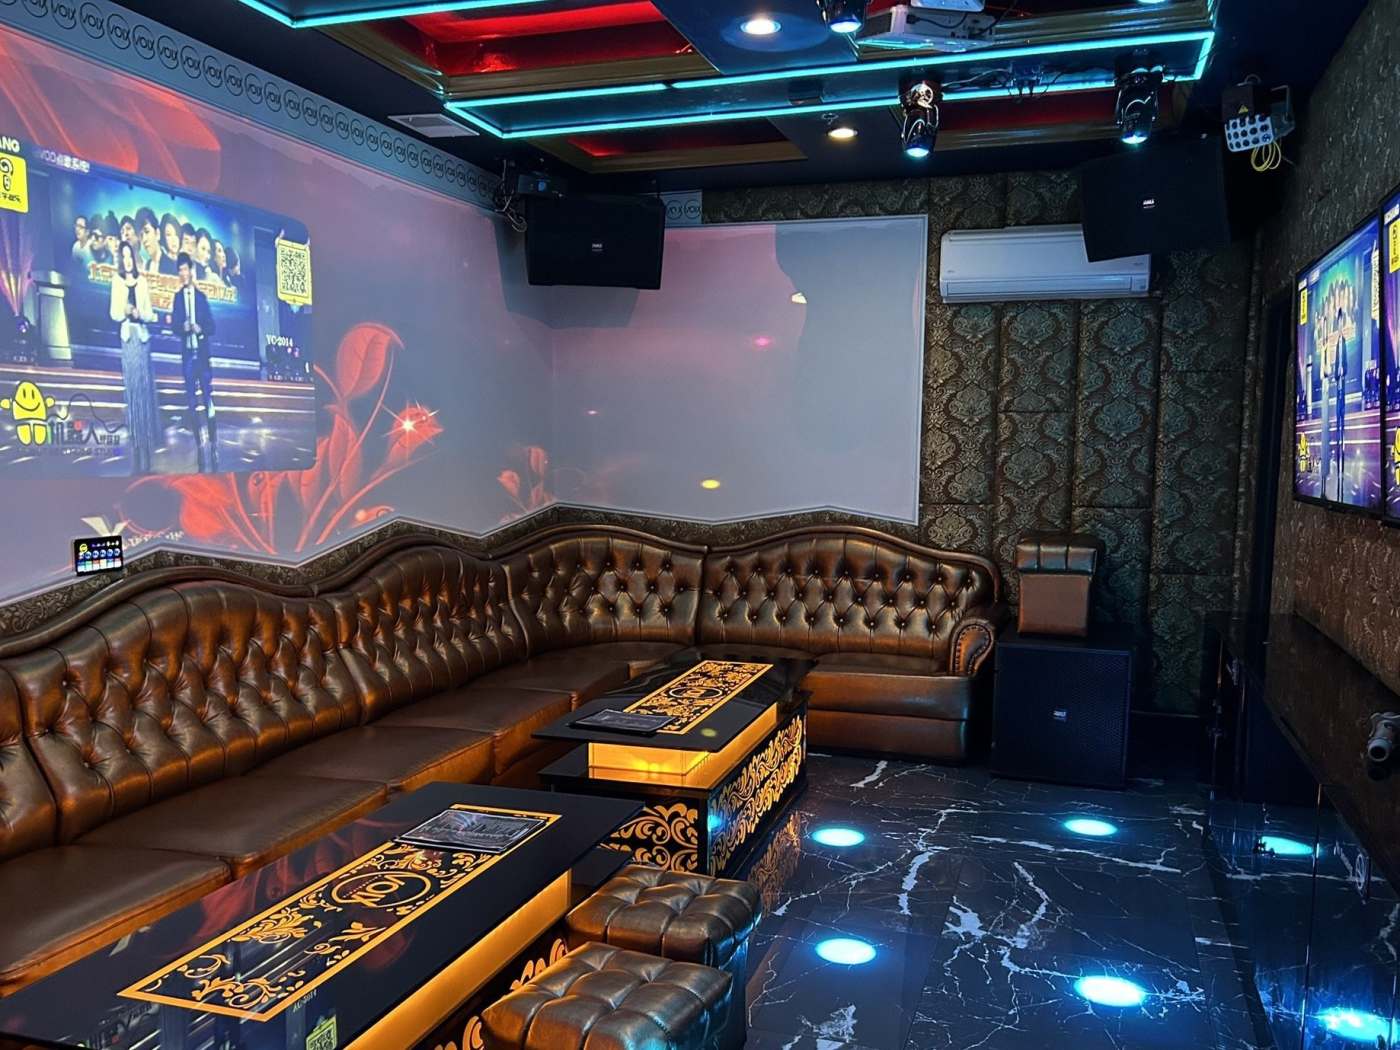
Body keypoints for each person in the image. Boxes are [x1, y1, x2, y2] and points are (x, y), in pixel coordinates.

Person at [109, 242, 159, 474]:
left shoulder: (143, 282)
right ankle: (137, 449)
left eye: (131, 256)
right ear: (121, 259)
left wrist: (141, 313)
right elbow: (113, 313)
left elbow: (150, 313)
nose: (128, 260)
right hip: (128, 340)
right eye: (125, 256)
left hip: (143, 340)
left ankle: (147, 449)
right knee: (133, 393)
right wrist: (125, 311)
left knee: (144, 392)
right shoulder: (117, 281)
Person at [168, 252, 218, 472]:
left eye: (186, 269)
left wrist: (200, 329)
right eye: (180, 270)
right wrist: (183, 327)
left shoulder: (201, 298)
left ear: (191, 271)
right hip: (188, 356)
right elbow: (174, 326)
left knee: (207, 398)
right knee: (191, 400)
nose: (183, 273)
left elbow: (212, 326)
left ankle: (213, 441)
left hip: (203, 357)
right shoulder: (178, 298)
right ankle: (199, 444)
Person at [136, 207, 162, 274]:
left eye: (147, 232)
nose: (144, 239)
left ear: (157, 233)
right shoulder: (147, 265)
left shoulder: (170, 264)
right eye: (141, 235)